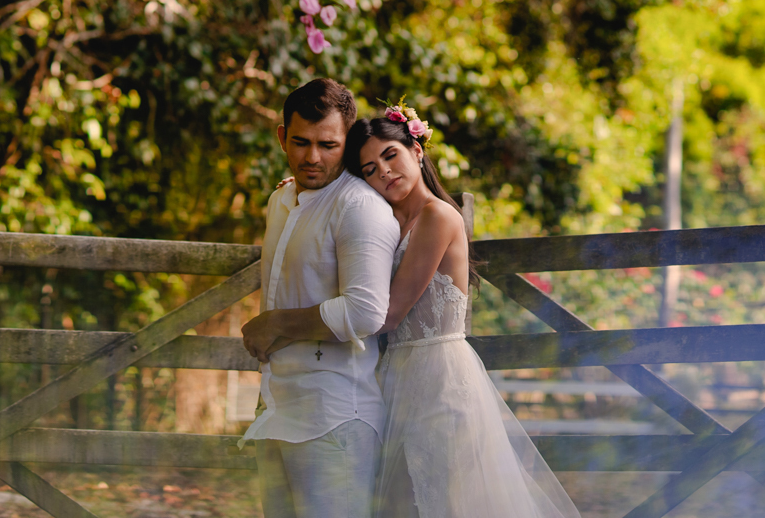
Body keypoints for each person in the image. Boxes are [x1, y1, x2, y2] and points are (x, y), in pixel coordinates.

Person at [344, 101, 583, 518]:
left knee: (437, 502)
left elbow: (391, 313)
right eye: (368, 169)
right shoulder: (383, 218)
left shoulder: (436, 216)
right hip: (394, 374)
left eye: (390, 155)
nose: (383, 172)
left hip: (438, 375)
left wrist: (312, 325)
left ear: (416, 152)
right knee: (397, 504)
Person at [239, 78, 401, 518]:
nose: (313, 157)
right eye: (301, 142)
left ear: (348, 142)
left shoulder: (359, 207)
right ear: (281, 137)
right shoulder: (281, 200)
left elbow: (366, 311)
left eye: (328, 145)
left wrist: (276, 324)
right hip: (277, 407)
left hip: (335, 416)